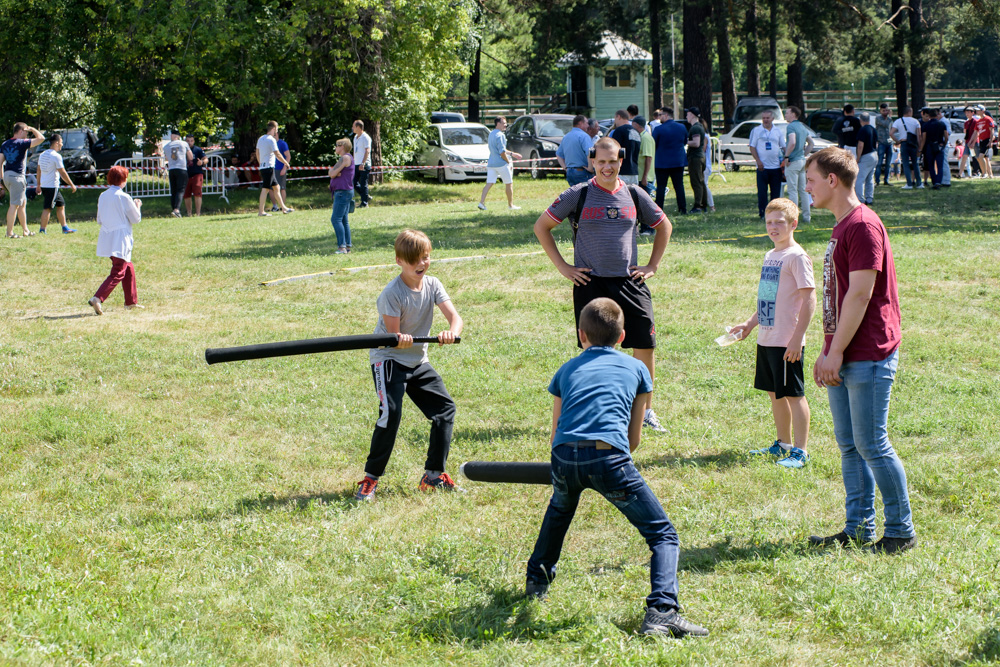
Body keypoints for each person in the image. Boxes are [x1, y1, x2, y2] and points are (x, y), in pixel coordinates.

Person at [524, 297, 708, 639]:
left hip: (563, 456)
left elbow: (556, 433)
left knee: (560, 508)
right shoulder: (638, 369)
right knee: (663, 534)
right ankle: (662, 612)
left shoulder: (565, 370)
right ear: (622, 337)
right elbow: (633, 438)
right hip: (610, 458)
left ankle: (536, 581)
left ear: (581, 335)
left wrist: (570, 467)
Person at [804, 147, 916, 555]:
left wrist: (836, 353)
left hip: (867, 351)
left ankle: (901, 531)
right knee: (850, 444)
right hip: (845, 350)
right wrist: (827, 349)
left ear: (832, 180)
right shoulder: (842, 225)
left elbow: (861, 295)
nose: (808, 188)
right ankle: (858, 529)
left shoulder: (863, 225)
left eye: (811, 180)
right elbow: (838, 297)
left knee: (872, 444)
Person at [534, 136, 673, 433]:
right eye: (601, 162)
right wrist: (563, 267)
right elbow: (541, 227)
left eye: (612, 161)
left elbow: (664, 226)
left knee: (644, 344)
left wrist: (652, 265)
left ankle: (645, 411)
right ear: (591, 162)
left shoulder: (635, 194)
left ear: (621, 161)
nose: (607, 167)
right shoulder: (578, 194)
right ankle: (593, 407)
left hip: (629, 281)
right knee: (593, 349)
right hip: (591, 283)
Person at [355, 229, 464, 501]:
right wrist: (398, 339)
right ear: (399, 261)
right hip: (389, 359)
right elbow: (394, 336)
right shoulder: (392, 293)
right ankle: (370, 479)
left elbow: (456, 318)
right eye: (414, 259)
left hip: (417, 361)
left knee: (444, 409)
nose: (421, 264)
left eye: (425, 257)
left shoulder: (433, 284)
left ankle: (433, 475)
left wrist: (450, 330)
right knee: (390, 414)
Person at [729, 198, 816, 468]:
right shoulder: (771, 256)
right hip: (767, 338)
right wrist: (749, 324)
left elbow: (809, 299)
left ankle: (800, 451)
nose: (773, 227)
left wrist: (796, 339)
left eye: (780, 222)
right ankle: (783, 444)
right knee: (774, 393)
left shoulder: (797, 256)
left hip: (787, 341)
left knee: (793, 394)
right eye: (769, 222)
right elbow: (767, 299)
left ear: (793, 224)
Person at [88, 166, 143, 315]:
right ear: (123, 180)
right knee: (119, 270)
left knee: (128, 267)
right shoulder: (124, 197)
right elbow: (136, 218)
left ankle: (131, 301)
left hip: (107, 236)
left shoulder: (103, 195)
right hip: (120, 238)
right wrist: (137, 206)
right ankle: (98, 298)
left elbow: (99, 219)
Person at [2, 122, 45, 238]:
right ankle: (9, 233)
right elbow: (41, 138)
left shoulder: (5, 144)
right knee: (14, 205)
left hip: (7, 175)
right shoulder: (22, 143)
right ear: (21, 131)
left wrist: (1, 180)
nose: (27, 134)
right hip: (17, 177)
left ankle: (25, 230)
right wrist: (32, 128)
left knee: (22, 203)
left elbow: (0, 162)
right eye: (26, 132)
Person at [35, 133, 78, 234]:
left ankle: (65, 228)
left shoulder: (42, 154)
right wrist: (71, 184)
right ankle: (42, 230)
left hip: (45, 185)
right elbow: (62, 172)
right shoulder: (56, 156)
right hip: (52, 186)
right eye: (61, 143)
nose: (62, 145)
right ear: (57, 143)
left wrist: (38, 184)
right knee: (47, 208)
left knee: (61, 205)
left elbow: (38, 170)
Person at [478, 116, 522, 211]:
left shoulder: (491, 134)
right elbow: (502, 152)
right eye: (504, 123)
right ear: (498, 123)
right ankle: (511, 205)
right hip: (501, 164)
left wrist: (512, 154)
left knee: (489, 183)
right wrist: (508, 161)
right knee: (509, 183)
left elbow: (500, 149)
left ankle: (481, 203)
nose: (505, 125)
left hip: (491, 163)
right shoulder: (501, 135)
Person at [749, 110, 785, 218]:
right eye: (763, 118)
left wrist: (786, 158)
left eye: (767, 118)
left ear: (772, 119)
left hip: (775, 167)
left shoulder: (777, 131)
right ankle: (762, 214)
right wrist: (758, 161)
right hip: (762, 167)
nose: (765, 120)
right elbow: (752, 147)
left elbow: (783, 146)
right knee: (762, 193)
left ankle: (774, 214)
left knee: (775, 194)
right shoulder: (756, 130)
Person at [652, 107, 687, 215]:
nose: (659, 117)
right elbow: (685, 141)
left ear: (666, 115)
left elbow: (654, 144)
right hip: (678, 161)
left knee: (661, 187)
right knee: (679, 186)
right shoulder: (682, 127)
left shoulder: (658, 129)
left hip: (662, 162)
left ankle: (659, 209)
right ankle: (682, 209)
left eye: (661, 115)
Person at [782, 106, 813, 223]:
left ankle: (793, 218)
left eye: (787, 113)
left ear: (793, 114)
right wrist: (804, 154)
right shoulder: (802, 126)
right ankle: (807, 217)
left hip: (793, 162)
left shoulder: (791, 126)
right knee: (803, 190)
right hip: (801, 161)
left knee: (792, 191)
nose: (785, 115)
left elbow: (792, 142)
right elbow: (811, 143)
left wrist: (786, 156)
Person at [256, 120, 293, 216]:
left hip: (264, 167)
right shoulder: (271, 139)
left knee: (277, 188)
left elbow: (257, 153)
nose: (276, 131)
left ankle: (284, 208)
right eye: (276, 129)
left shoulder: (261, 138)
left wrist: (261, 163)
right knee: (265, 189)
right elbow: (277, 154)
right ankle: (261, 211)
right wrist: (286, 163)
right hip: (269, 167)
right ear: (273, 129)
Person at [328, 137, 355, 254]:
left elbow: (332, 173)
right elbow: (332, 173)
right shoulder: (346, 158)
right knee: (344, 220)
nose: (335, 147)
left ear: (342, 146)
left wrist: (335, 173)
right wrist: (334, 172)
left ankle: (342, 247)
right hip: (346, 191)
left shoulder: (345, 158)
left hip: (342, 192)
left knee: (336, 219)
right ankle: (347, 246)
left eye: (337, 145)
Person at [555, 115, 594, 186]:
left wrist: (565, 168)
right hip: (582, 172)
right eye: (587, 123)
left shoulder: (566, 137)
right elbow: (590, 152)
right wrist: (590, 168)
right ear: (581, 123)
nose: (588, 126)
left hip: (570, 172)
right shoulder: (584, 136)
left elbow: (559, 154)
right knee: (585, 195)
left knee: (574, 195)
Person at [889, 106, 922, 190]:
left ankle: (909, 184)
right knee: (915, 163)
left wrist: (897, 141)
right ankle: (919, 183)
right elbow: (919, 135)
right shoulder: (915, 121)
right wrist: (919, 147)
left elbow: (891, 133)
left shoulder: (898, 121)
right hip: (913, 144)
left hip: (904, 143)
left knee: (906, 164)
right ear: (910, 112)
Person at [163, 131, 192, 218]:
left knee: (173, 191)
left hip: (171, 169)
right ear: (178, 136)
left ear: (171, 136)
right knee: (180, 190)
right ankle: (176, 210)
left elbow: (167, 158)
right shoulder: (184, 143)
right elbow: (190, 157)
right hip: (181, 168)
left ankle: (174, 210)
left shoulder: (166, 146)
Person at [685, 107, 708, 213]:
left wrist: (685, 141)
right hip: (700, 157)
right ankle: (703, 204)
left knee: (696, 182)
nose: (686, 116)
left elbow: (696, 143)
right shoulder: (699, 126)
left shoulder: (695, 128)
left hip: (696, 158)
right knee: (701, 181)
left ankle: (698, 206)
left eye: (688, 114)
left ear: (693, 115)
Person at [919, 107, 948, 190]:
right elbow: (946, 136)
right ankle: (939, 181)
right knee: (940, 166)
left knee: (931, 166)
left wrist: (921, 149)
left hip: (929, 146)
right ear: (937, 115)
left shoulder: (926, 125)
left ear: (929, 116)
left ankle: (934, 182)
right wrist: (944, 144)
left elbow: (923, 138)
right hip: (939, 146)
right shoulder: (942, 124)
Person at [609, 110, 641, 186]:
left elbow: (614, 151)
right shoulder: (636, 131)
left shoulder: (619, 131)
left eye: (615, 118)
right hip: (634, 171)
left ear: (618, 117)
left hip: (622, 171)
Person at [855, 112, 879, 204]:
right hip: (874, 154)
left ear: (860, 120)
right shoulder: (873, 129)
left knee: (860, 178)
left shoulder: (862, 130)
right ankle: (869, 198)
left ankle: (860, 199)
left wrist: (858, 158)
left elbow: (861, 145)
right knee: (870, 179)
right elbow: (876, 143)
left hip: (866, 155)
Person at [633, 115, 656, 201]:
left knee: (644, 201)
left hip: (644, 177)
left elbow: (648, 157)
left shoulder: (645, 138)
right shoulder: (640, 137)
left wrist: (645, 177)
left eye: (633, 125)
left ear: (636, 125)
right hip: (640, 175)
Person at [182, 135, 206, 217]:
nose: (189, 142)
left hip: (197, 174)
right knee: (186, 194)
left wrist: (202, 162)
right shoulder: (182, 149)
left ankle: (198, 213)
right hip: (185, 174)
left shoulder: (198, 150)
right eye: (188, 141)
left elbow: (206, 159)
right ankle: (189, 213)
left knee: (197, 193)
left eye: (191, 140)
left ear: (194, 141)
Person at [352, 120, 372, 207]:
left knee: (364, 184)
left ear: (358, 127)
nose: (352, 128)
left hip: (364, 164)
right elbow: (355, 151)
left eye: (353, 126)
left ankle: (364, 203)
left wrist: (363, 163)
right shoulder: (355, 137)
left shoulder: (366, 137)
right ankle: (366, 196)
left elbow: (367, 150)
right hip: (356, 163)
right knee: (353, 182)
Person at [875, 104, 894, 185]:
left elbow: (892, 128)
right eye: (884, 110)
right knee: (879, 163)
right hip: (881, 143)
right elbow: (886, 124)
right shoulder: (878, 118)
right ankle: (877, 181)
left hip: (889, 142)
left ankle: (886, 180)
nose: (885, 112)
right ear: (880, 111)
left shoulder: (890, 119)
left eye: (887, 110)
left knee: (888, 164)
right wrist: (890, 117)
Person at [974, 104, 995, 178]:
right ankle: (990, 175)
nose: (977, 111)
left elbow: (991, 130)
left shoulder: (988, 119)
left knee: (980, 156)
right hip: (981, 141)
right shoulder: (978, 121)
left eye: (978, 110)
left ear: (983, 111)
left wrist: (991, 141)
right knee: (986, 158)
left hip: (987, 140)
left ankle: (984, 173)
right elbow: (976, 132)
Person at [272, 130, 291, 210]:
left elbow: (288, 156)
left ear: (276, 134)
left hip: (280, 169)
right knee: (270, 189)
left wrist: (284, 168)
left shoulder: (282, 143)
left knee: (282, 188)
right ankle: (275, 206)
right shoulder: (270, 143)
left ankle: (282, 207)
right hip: (271, 168)